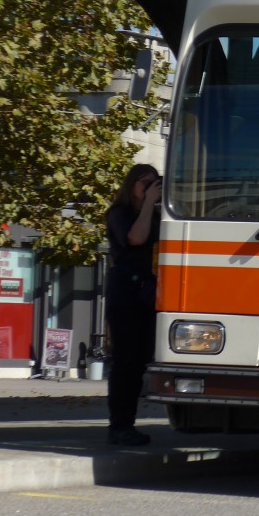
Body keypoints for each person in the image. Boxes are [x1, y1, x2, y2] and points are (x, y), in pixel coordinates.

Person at [103, 163, 162, 446]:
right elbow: (136, 238)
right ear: (132, 185)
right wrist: (149, 202)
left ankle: (128, 424)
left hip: (149, 291)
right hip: (126, 290)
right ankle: (120, 426)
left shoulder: (159, 215)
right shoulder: (119, 214)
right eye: (144, 183)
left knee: (139, 361)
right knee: (125, 362)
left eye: (155, 184)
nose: (150, 188)